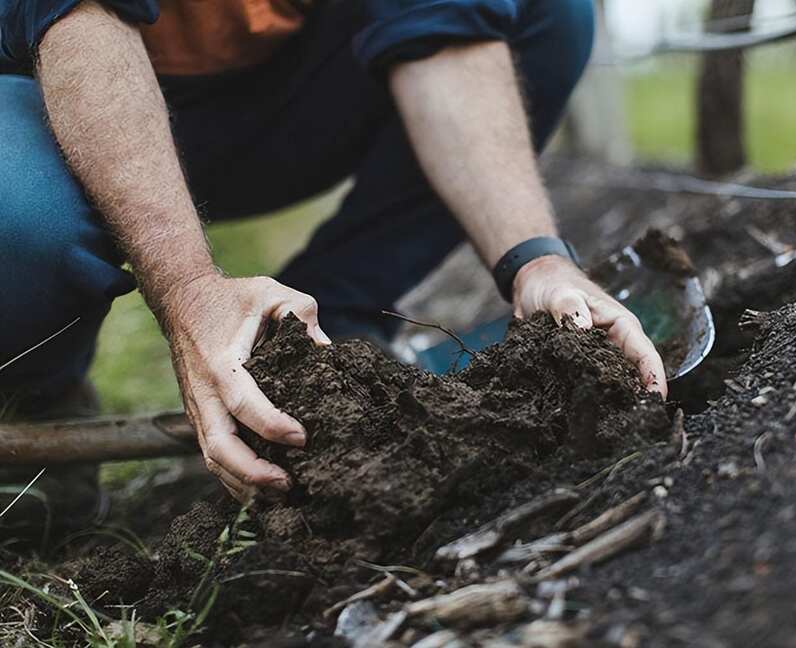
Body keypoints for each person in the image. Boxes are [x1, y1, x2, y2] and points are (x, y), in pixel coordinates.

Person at [0, 0, 666, 516]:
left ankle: (335, 324)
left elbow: (438, 19)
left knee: (545, 14)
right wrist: (187, 290)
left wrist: (535, 260)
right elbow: (72, 17)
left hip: (288, 94)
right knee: (18, 217)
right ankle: (38, 390)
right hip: (56, 94)